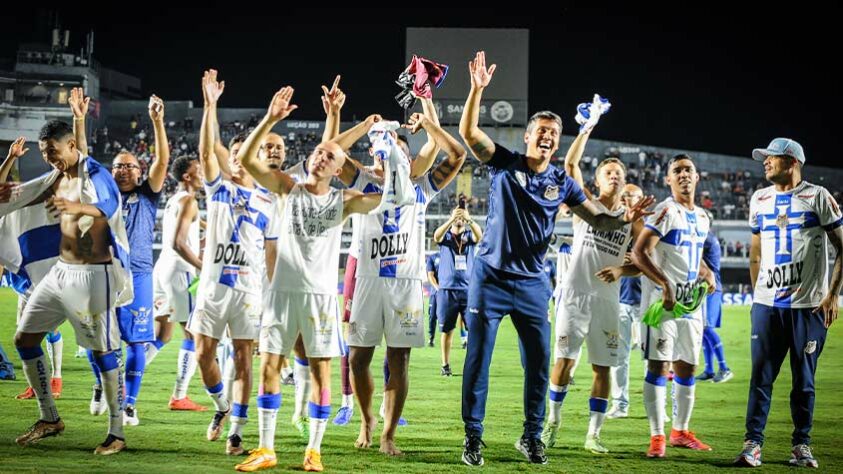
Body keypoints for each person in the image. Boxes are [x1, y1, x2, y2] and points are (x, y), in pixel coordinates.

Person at [457, 51, 653, 466]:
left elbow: (597, 220)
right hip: (489, 277)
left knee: (540, 366)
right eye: (541, 130)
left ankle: (531, 436)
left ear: (557, 141)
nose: (547, 136)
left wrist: (624, 218)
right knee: (478, 360)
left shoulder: (561, 182)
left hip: (532, 284)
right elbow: (470, 131)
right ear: (527, 135)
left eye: (553, 132)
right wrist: (476, 89)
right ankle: (473, 437)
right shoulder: (505, 164)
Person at [5, 120, 133, 454]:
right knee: (25, 338)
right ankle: (50, 418)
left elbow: (108, 205)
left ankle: (116, 433)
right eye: (45, 153)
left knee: (102, 351)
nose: (50, 159)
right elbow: (5, 196)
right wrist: (9, 161)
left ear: (72, 145)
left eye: (54, 151)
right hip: (60, 273)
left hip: (94, 274)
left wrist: (75, 207)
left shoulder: (97, 175)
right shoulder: (54, 178)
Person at [734, 138, 842, 468]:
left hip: (808, 308)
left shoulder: (818, 197)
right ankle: (752, 445)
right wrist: (758, 296)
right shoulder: (759, 198)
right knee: (760, 378)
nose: (765, 162)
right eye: (763, 158)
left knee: (804, 382)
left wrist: (832, 294)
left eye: (771, 158)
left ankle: (801, 446)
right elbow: (755, 252)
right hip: (768, 307)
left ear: (792, 161)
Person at [632, 154, 716, 459]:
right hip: (662, 304)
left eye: (688, 170)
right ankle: (657, 437)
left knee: (687, 366)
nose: (683, 174)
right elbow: (639, 253)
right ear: (668, 179)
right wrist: (665, 284)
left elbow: (692, 256)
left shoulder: (704, 217)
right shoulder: (666, 210)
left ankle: (680, 431)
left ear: (697, 178)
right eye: (676, 171)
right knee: (659, 366)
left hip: (690, 304)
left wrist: (707, 273)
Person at [432, 204, 482, 376]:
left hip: (468, 290)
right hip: (447, 290)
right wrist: (451, 219)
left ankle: (474, 366)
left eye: (462, 217)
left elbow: (479, 235)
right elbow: (436, 236)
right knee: (446, 330)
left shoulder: (469, 235)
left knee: (474, 329)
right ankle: (445, 365)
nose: (459, 219)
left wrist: (469, 219)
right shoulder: (446, 236)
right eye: (457, 216)